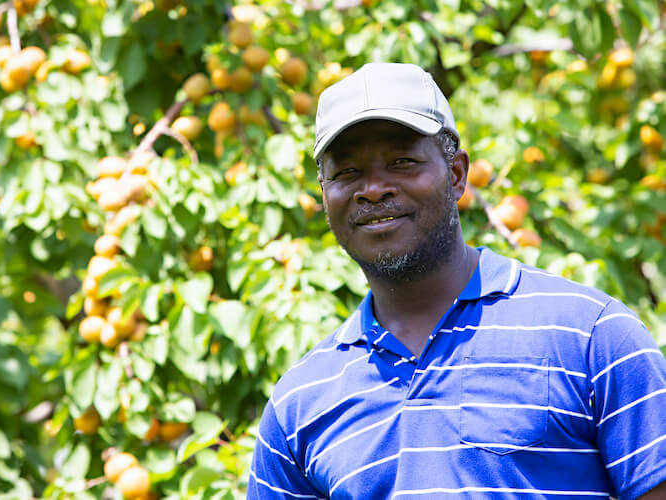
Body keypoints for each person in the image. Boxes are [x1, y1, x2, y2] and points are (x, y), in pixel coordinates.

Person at [246, 63, 666, 499]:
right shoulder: (300, 403)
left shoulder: (590, 336)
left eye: (402, 161)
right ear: (323, 193)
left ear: (457, 174)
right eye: (347, 172)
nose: (372, 189)